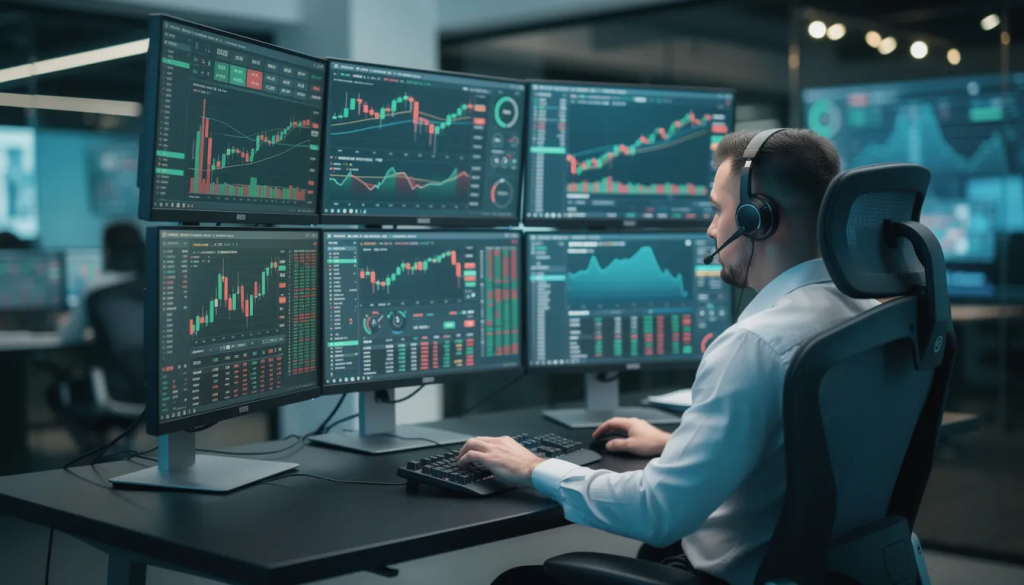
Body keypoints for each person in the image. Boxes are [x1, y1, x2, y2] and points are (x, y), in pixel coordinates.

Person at [460, 129, 880, 585]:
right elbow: (815, 448)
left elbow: (658, 512)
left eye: (719, 211)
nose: (712, 229)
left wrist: (535, 468)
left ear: (757, 219)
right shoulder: (866, 312)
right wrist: (675, 445)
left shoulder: (756, 342)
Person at [60, 222, 144, 343]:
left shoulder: (97, 287)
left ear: (107, 251)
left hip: (112, 361)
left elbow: (69, 337)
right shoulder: (156, 283)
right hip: (156, 361)